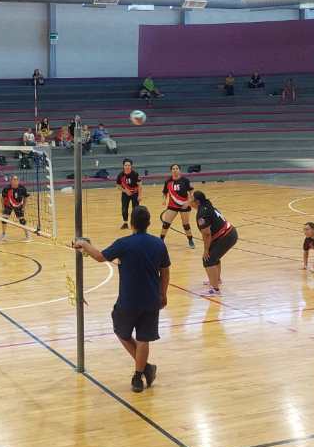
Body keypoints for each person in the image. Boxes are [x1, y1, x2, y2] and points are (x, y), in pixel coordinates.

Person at [75, 206, 170, 393]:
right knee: (143, 339)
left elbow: (100, 257)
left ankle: (144, 371)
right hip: (151, 300)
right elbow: (165, 272)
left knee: (122, 332)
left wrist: (83, 244)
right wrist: (163, 294)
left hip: (128, 300)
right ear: (149, 223)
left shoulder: (124, 243)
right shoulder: (159, 244)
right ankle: (140, 375)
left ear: (132, 223)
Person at [190, 190, 237, 296]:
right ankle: (216, 279)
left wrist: (206, 250)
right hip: (229, 233)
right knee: (214, 257)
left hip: (227, 236)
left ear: (197, 202)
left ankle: (215, 290)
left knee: (208, 259)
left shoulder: (202, 214)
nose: (189, 200)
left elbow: (207, 234)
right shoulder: (206, 205)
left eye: (191, 199)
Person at [160, 164, 195, 248]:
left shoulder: (185, 180)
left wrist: (188, 202)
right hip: (172, 205)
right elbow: (165, 192)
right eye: (173, 169)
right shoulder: (168, 181)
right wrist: (164, 200)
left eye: (177, 168)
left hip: (184, 205)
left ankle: (190, 240)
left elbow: (191, 192)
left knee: (186, 224)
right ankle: (161, 240)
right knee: (166, 223)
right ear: (171, 171)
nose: (175, 170)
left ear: (179, 170)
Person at [0, 175, 31, 242]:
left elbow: (25, 198)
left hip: (18, 205)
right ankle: (4, 234)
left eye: (16, 179)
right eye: (14, 179)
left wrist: (23, 207)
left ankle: (27, 235)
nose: (15, 181)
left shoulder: (22, 188)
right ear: (11, 181)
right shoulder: (6, 188)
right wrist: (3, 207)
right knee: (4, 219)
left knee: (22, 220)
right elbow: (2, 198)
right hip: (8, 205)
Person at [116, 159, 141, 230]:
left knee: (135, 209)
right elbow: (118, 185)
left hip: (135, 193)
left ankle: (134, 224)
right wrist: (125, 191)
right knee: (124, 209)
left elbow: (140, 185)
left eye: (129, 165)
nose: (127, 167)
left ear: (131, 166)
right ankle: (125, 223)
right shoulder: (120, 175)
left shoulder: (135, 174)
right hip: (125, 194)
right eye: (126, 165)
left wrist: (140, 195)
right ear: (123, 166)